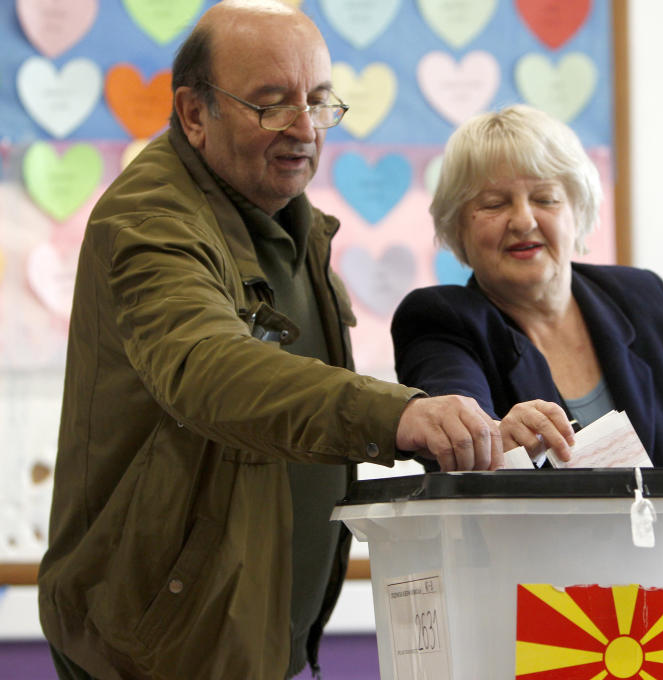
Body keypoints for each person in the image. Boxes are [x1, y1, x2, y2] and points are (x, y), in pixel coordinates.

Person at [37, 3, 507, 679]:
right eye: (271, 104)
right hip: (159, 647)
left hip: (250, 635)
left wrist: (470, 430)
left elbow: (301, 398)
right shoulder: (150, 221)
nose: (305, 127)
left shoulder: (290, 219)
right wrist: (400, 413)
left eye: (318, 100)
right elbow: (211, 369)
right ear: (195, 114)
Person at [392, 105, 663, 468]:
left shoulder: (643, 297)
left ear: (577, 211)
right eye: (495, 204)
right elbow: (461, 432)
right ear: (458, 228)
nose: (524, 220)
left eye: (545, 199)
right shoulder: (438, 319)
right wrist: (499, 436)